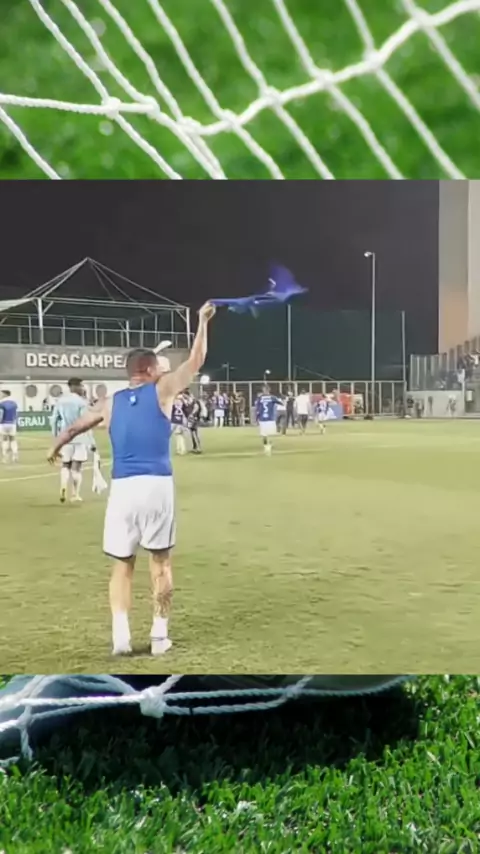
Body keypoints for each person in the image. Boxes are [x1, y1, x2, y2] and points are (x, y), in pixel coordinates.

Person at [47, 302, 216, 657]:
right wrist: (202, 321)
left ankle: (121, 639)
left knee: (122, 565)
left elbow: (74, 428)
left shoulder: (110, 403)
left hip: (122, 489)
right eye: (159, 367)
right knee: (161, 562)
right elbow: (196, 360)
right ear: (151, 369)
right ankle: (159, 636)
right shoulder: (163, 389)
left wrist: (55, 447)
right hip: (156, 486)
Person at [50, 378, 92, 502]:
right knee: (76, 467)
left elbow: (54, 420)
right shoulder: (81, 402)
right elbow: (86, 422)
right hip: (80, 437)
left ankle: (63, 485)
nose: (82, 388)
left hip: (65, 437)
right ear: (75, 386)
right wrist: (91, 441)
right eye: (81, 385)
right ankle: (75, 494)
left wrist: (56, 437)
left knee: (65, 464)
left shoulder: (60, 401)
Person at [255, 384, 281, 455]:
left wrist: (256, 418)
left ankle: (266, 447)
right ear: (269, 390)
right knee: (271, 434)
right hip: (270, 418)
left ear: (263, 390)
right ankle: (269, 447)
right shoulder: (272, 397)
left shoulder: (260, 398)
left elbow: (257, 409)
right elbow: (280, 403)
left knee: (264, 434)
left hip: (262, 418)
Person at [0, 391, 19, 463]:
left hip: (4, 423)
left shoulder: (1, 403)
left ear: (5, 394)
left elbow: (1, 414)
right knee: (13, 439)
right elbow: (16, 414)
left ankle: (5, 457)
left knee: (4, 440)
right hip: (12, 424)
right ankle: (15, 454)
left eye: (1, 394)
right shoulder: (14, 403)